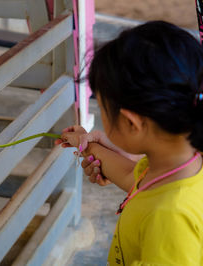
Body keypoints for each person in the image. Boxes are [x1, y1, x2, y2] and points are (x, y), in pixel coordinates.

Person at [56, 21, 203, 265]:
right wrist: (86, 145)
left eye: (102, 107)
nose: (101, 113)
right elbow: (130, 176)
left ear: (131, 123)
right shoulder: (180, 164)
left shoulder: (170, 218)